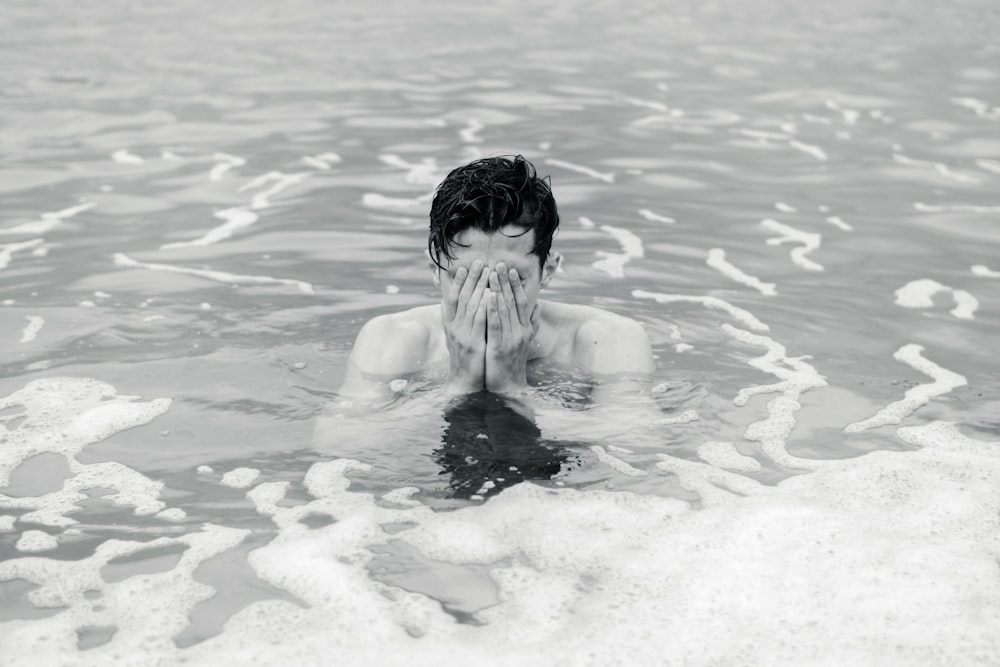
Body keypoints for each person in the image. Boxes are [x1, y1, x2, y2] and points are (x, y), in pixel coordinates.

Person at [339, 154, 655, 406]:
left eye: (511, 279)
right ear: (434, 268)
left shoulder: (608, 339)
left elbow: (634, 445)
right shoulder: (393, 337)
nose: (489, 301)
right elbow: (342, 445)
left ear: (549, 269)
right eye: (466, 280)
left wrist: (511, 385)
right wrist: (461, 383)